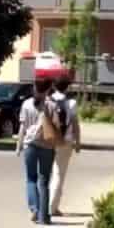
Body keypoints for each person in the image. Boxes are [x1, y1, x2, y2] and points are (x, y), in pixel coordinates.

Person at [17, 79, 57, 225]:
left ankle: (35, 208)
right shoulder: (51, 105)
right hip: (47, 146)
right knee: (44, 181)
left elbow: (22, 127)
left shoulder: (26, 104)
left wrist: (18, 145)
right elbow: (57, 125)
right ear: (47, 90)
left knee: (31, 178)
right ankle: (44, 217)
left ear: (34, 89)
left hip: (30, 145)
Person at [48, 75, 81, 217]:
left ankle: (44, 205)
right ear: (67, 87)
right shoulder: (71, 103)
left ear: (54, 86)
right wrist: (78, 142)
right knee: (58, 174)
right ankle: (52, 207)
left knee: (46, 174)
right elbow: (75, 124)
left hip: (48, 141)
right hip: (65, 141)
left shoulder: (48, 100)